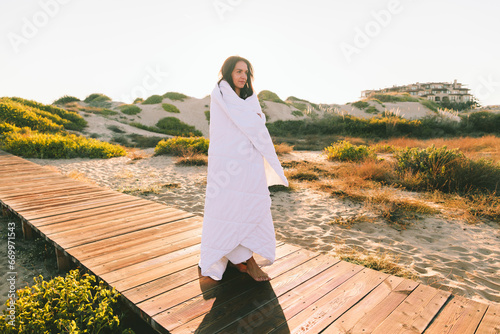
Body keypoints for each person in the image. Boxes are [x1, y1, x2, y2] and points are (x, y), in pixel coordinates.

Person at [198, 56, 289, 282]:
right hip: (227, 162)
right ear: (228, 72)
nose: (242, 76)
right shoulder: (220, 94)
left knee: (248, 204)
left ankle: (239, 259)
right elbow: (231, 129)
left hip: (248, 162)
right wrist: (255, 119)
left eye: (246, 73)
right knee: (228, 208)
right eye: (238, 71)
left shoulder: (249, 98)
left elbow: (256, 124)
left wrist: (257, 118)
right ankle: (247, 261)